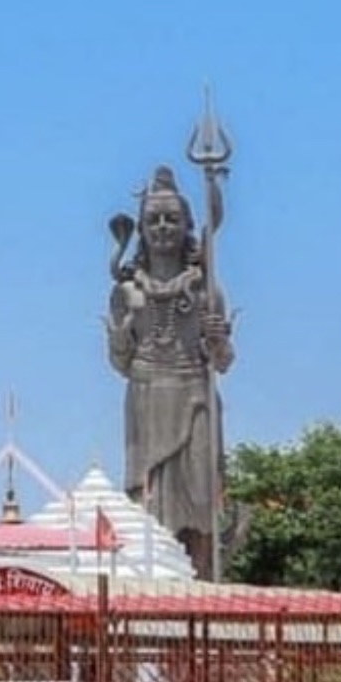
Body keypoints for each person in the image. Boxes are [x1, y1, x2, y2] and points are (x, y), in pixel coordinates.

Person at [105, 165, 234, 577]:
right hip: (145, 392)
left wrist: (217, 339)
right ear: (141, 229)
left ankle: (202, 580)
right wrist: (121, 337)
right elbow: (119, 364)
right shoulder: (127, 291)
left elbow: (225, 361)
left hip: (194, 389)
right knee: (151, 496)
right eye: (153, 220)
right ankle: (156, 579)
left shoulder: (204, 288)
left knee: (201, 493)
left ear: (188, 226)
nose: (162, 227)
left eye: (172, 219)